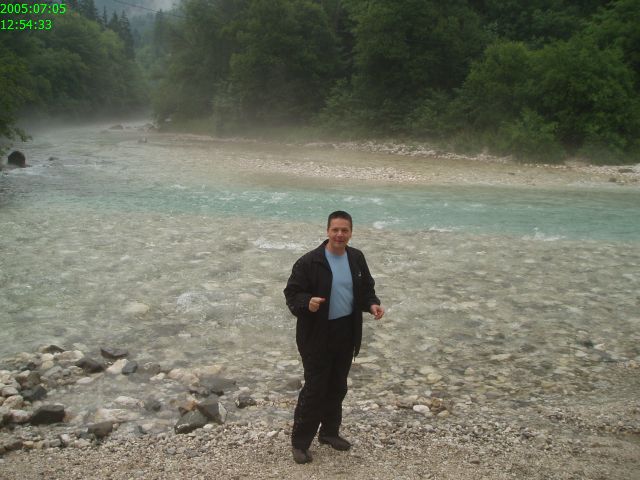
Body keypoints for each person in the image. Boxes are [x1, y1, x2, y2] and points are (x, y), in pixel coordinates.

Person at [284, 210, 385, 464]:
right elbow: (292, 294)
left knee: (338, 385)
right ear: (327, 231)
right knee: (315, 389)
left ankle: (329, 433)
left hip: (346, 331)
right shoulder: (309, 262)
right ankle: (300, 443)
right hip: (316, 334)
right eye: (335, 230)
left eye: (344, 230)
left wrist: (372, 304)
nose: (340, 234)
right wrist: (308, 302)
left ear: (350, 232)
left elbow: (366, 289)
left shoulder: (356, 257)